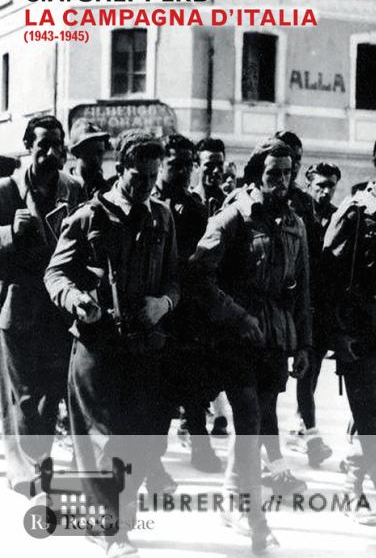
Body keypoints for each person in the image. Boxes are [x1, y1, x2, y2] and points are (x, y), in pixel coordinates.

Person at [45, 133, 179, 558]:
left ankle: (109, 514)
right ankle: (110, 530)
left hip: (145, 345)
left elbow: (175, 278)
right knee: (105, 440)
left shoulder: (162, 216)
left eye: (153, 177)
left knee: (150, 438)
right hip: (98, 344)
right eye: (139, 177)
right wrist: (76, 300)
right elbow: (55, 274)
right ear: (119, 169)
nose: (147, 186)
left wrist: (163, 303)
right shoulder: (88, 217)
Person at [190, 137, 311, 553]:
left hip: (274, 336)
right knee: (249, 421)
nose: (281, 181)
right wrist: (236, 316)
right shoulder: (234, 216)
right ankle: (255, 519)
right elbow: (198, 275)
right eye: (273, 173)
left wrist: (304, 345)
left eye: (287, 173)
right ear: (257, 175)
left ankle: (231, 499)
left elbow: (302, 290)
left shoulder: (295, 223)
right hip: (235, 336)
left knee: (255, 426)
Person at [322, 132, 376, 543]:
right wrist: (337, 335)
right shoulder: (355, 212)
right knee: (375, 421)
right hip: (362, 334)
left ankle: (356, 484)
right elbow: (327, 280)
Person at [0, 115, 81, 495]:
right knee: (23, 394)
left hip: (58, 308)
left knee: (51, 390)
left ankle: (39, 460)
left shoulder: (73, 189)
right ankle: (23, 464)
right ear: (27, 147)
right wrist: (8, 233)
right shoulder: (6, 191)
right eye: (42, 145)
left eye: (57, 145)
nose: (50, 153)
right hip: (18, 306)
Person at [152, 133, 222, 475]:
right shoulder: (147, 202)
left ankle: (200, 444)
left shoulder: (194, 207)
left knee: (193, 380)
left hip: (186, 307)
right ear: (160, 164)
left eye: (187, 165)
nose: (182, 171)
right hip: (152, 305)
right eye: (175, 164)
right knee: (151, 382)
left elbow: (201, 257)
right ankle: (152, 456)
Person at [291, 162, 341, 466]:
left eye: (330, 185)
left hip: (321, 307)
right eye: (320, 185)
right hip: (294, 302)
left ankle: (307, 429)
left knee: (311, 370)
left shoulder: (338, 216)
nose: (325, 191)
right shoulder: (296, 213)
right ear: (309, 184)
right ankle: (307, 431)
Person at [69, 117, 110, 199]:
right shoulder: (66, 186)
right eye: (90, 152)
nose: (96, 159)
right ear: (76, 153)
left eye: (99, 153)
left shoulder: (107, 191)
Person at [193, 137, 226, 215]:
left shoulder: (229, 203)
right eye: (210, 165)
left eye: (220, 164)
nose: (216, 170)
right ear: (196, 167)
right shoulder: (187, 203)